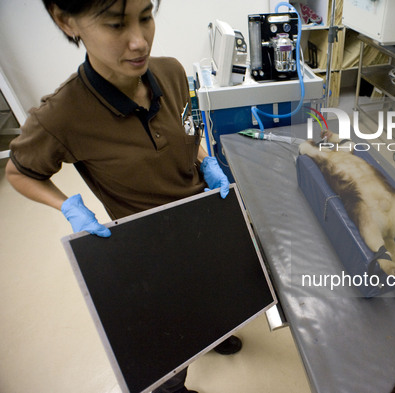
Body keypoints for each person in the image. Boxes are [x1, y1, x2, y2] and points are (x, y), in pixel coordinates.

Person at [6, 1, 241, 392]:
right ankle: (172, 384)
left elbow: (187, 131)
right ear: (67, 21)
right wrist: (68, 205)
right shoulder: (61, 115)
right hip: (148, 243)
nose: (139, 41)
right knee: (167, 335)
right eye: (116, 25)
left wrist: (205, 160)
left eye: (146, 17)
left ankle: (214, 334)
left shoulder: (171, 72)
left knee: (213, 294)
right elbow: (18, 173)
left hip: (203, 219)